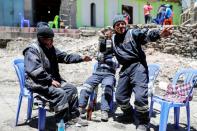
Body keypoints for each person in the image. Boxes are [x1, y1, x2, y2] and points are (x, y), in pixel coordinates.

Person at [23, 22, 91, 125]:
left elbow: (65, 57)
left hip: (50, 80)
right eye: (49, 39)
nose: (51, 42)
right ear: (41, 39)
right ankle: (60, 122)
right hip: (38, 83)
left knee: (72, 89)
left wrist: (81, 58)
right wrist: (50, 80)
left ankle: (73, 116)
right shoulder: (32, 50)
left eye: (52, 39)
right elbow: (35, 71)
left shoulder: (51, 49)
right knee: (60, 93)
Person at [111, 15, 172, 131]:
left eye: (122, 23)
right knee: (119, 96)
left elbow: (146, 34)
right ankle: (129, 115)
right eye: (117, 24)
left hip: (138, 66)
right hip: (125, 68)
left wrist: (159, 34)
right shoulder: (113, 39)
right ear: (114, 27)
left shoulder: (132, 33)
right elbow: (107, 52)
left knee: (140, 97)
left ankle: (143, 122)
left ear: (125, 24)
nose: (120, 26)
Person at [79, 27, 119, 122]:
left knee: (107, 87)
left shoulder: (116, 48)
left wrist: (107, 58)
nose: (107, 35)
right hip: (97, 73)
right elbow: (98, 56)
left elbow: (116, 64)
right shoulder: (101, 46)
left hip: (109, 74)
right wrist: (102, 40)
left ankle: (104, 110)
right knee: (86, 85)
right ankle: (81, 107)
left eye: (109, 33)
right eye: (106, 33)